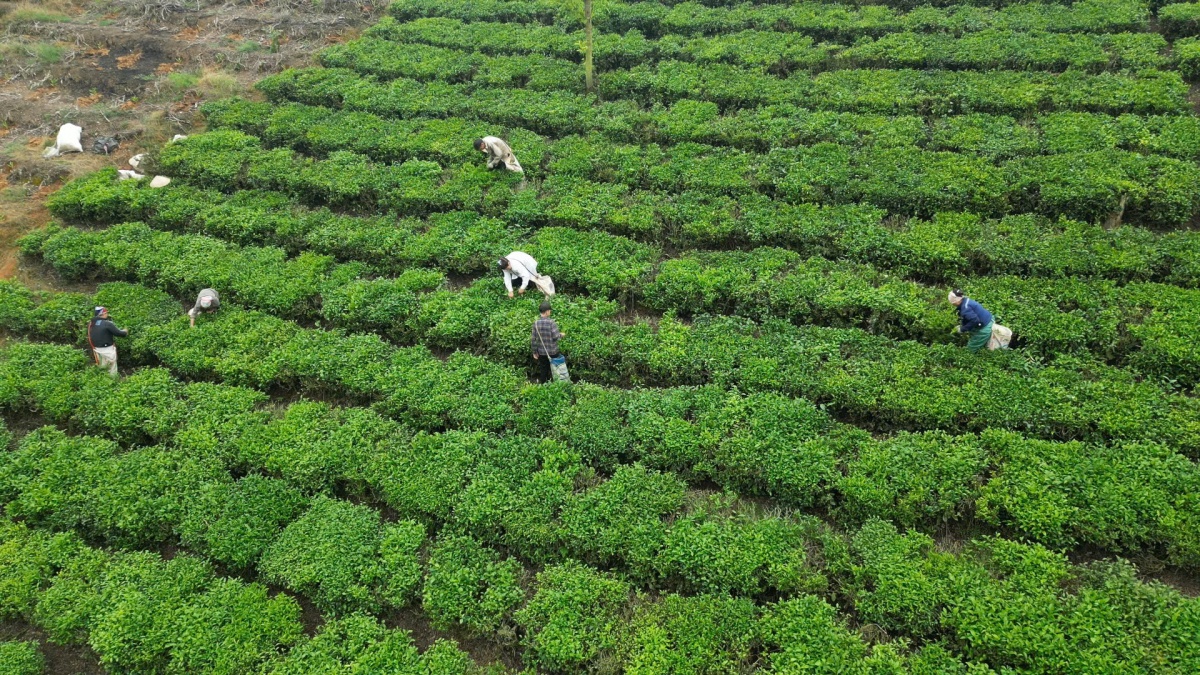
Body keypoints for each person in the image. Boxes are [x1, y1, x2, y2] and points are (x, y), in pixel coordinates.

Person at [87, 306, 128, 377]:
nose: (107, 314)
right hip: (107, 349)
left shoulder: (91, 324)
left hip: (96, 349)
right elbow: (118, 333)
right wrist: (125, 332)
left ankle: (104, 382)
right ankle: (113, 381)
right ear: (103, 314)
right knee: (112, 366)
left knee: (103, 367)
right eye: (106, 313)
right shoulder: (107, 323)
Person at [531, 301, 565, 384]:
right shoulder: (551, 322)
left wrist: (535, 352)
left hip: (542, 352)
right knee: (555, 369)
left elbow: (533, 339)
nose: (550, 312)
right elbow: (555, 336)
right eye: (549, 310)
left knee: (543, 369)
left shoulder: (535, 323)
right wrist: (561, 335)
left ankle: (544, 385)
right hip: (553, 352)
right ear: (546, 312)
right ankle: (556, 385)